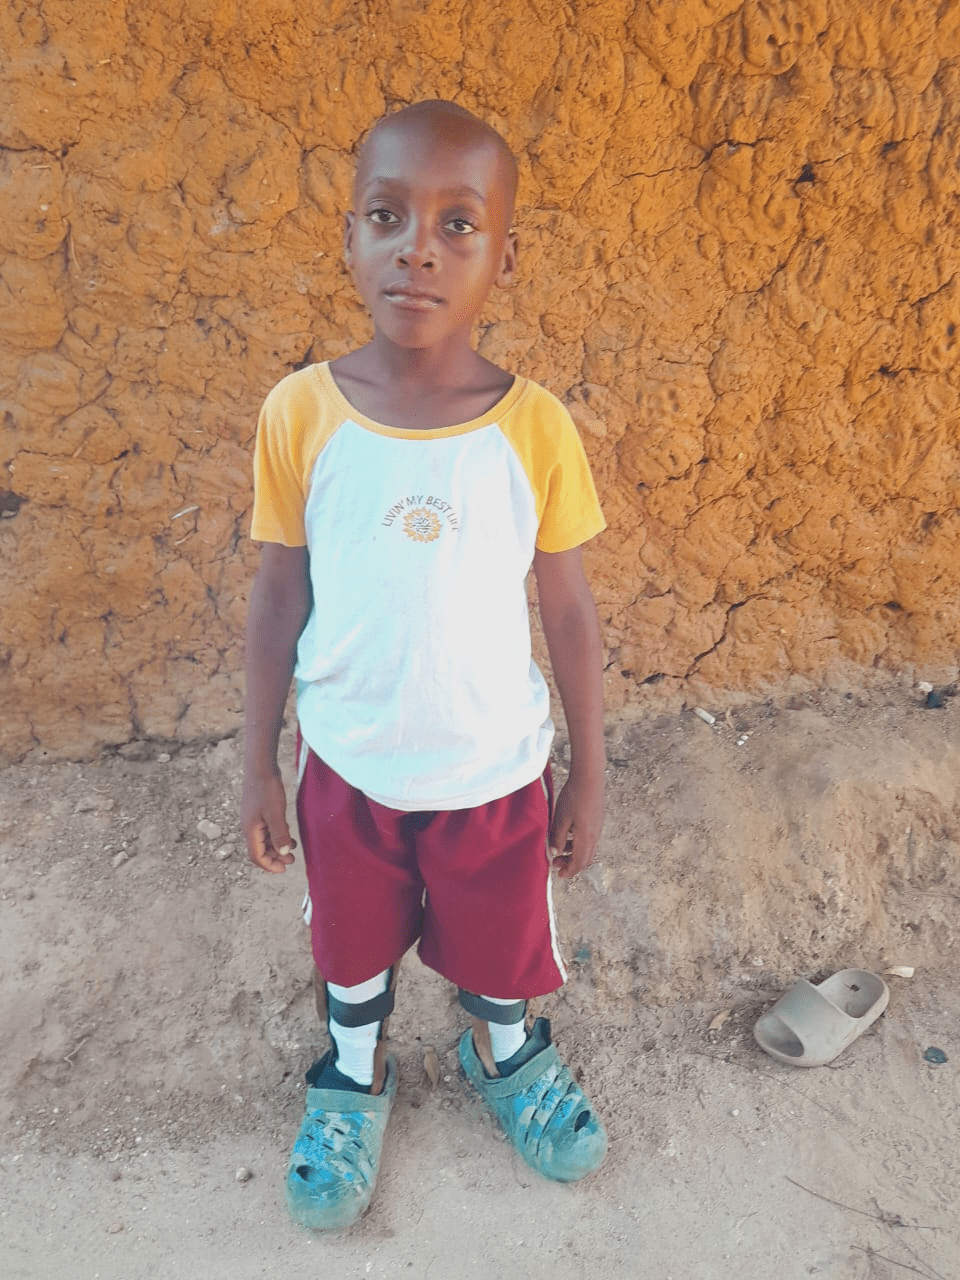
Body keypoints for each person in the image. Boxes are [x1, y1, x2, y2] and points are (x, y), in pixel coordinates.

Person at [241, 99, 608, 1231]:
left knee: (500, 946)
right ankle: (352, 1076)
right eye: (390, 215)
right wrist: (257, 757)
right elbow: (278, 592)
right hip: (348, 764)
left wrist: (588, 768)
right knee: (349, 947)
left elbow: (571, 609)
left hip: (491, 770)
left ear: (506, 254)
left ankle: (507, 1049)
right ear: (347, 236)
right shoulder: (301, 413)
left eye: (459, 224)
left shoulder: (534, 427)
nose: (420, 248)